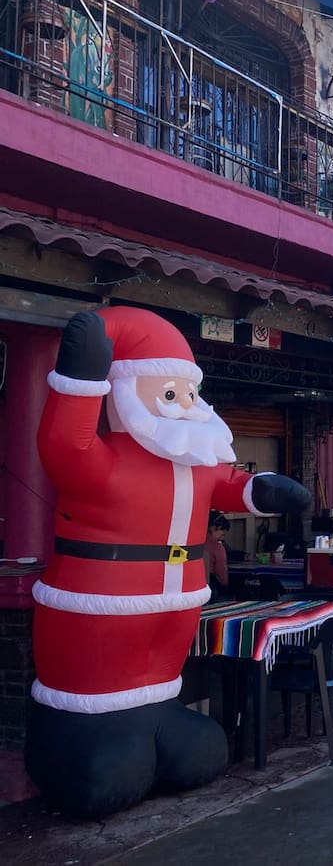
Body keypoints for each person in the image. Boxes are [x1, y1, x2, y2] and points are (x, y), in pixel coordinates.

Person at [27, 307, 312, 817]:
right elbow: (64, 443)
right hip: (102, 598)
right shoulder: (105, 457)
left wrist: (262, 490)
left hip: (177, 601)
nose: (184, 406)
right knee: (97, 692)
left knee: (160, 678)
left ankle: (159, 720)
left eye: (189, 394)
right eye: (169, 394)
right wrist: (79, 378)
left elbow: (227, 484)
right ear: (123, 393)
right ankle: (83, 738)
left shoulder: (195, 458)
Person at [204, 511, 230, 596]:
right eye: (222, 534)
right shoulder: (217, 548)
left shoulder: (194, 543)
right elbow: (221, 572)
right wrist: (225, 585)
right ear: (214, 528)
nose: (222, 537)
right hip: (212, 588)